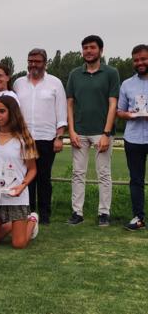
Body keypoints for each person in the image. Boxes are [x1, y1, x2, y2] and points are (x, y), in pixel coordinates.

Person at [66, 35, 120, 226]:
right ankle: (77, 213)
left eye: (92, 47)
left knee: (103, 174)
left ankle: (103, 213)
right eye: (85, 48)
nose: (88, 51)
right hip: (79, 131)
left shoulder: (111, 73)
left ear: (101, 50)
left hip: (102, 132)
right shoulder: (74, 74)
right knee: (78, 173)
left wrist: (106, 133)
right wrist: (71, 131)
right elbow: (70, 104)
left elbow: (113, 104)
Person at [0, 96, 40, 249]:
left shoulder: (24, 139)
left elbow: (32, 170)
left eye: (2, 111)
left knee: (19, 244)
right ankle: (13, 226)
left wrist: (22, 186)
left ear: (12, 113)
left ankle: (31, 221)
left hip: (16, 195)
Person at [14, 48, 67, 225]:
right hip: (24, 138)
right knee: (27, 178)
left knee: (44, 178)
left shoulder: (55, 83)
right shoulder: (19, 83)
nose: (33, 65)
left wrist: (59, 137)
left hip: (46, 137)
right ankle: (27, 212)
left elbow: (61, 112)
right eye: (30, 61)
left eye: (37, 61)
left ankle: (44, 215)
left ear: (45, 63)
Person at [116, 44, 148, 231]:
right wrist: (128, 115)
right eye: (136, 60)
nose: (140, 63)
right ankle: (139, 218)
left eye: (143, 59)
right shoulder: (127, 84)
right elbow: (119, 111)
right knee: (136, 180)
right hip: (134, 138)